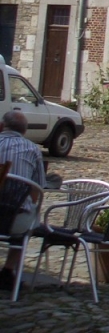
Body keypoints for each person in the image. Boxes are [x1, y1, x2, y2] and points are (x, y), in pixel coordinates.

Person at [0, 111, 45, 289]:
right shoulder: (33, 149)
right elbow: (37, 189)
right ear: (24, 131)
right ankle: (8, 270)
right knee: (31, 218)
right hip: (15, 219)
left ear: (2, 126)